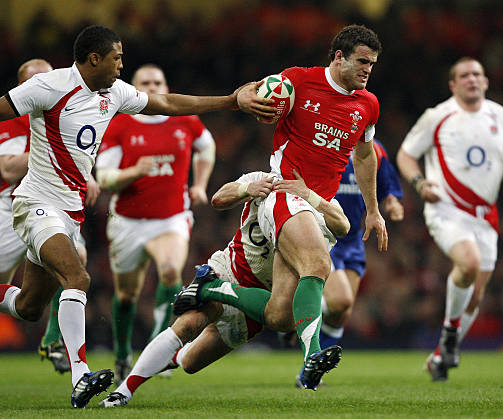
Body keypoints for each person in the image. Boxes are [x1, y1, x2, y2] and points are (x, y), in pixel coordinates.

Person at [0, 25, 275, 408]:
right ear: (94, 58)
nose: (121, 65)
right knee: (77, 276)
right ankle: (80, 375)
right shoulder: (49, 85)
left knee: (30, 307)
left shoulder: (113, 93)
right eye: (117, 57)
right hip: (36, 202)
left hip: (71, 211)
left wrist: (230, 101)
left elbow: (168, 104)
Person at [173, 24, 388, 391]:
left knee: (280, 315)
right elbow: (257, 94)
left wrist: (373, 209)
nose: (368, 69)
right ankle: (313, 357)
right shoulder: (297, 82)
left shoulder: (368, 105)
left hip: (319, 205)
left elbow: (365, 156)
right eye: (362, 62)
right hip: (285, 191)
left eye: (373, 63)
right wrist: (249, 99)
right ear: (339, 57)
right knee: (318, 265)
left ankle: (211, 289)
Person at [99, 170, 349, 407]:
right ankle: (123, 392)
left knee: (190, 363)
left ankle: (178, 343)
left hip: (260, 300)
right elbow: (218, 198)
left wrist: (311, 196)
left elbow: (343, 225)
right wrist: (247, 188)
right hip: (232, 268)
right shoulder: (265, 178)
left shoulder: (322, 201)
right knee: (188, 324)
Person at [396, 57, 503, 381]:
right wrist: (420, 184)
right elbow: (406, 154)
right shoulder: (438, 116)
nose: (472, 79)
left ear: (486, 82)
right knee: (469, 262)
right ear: (453, 84)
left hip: (485, 216)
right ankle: (449, 335)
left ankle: (440, 358)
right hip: (447, 208)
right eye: (464, 75)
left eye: (477, 74)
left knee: (475, 294)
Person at [95, 63, 217, 383]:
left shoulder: (185, 120)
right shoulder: (120, 125)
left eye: (158, 81)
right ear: (134, 89)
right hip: (128, 221)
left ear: (166, 85)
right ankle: (122, 351)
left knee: (170, 272)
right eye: (145, 82)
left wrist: (200, 184)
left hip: (171, 217)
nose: (152, 87)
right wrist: (135, 172)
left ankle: (156, 347)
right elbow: (104, 178)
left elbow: (207, 146)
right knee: (125, 296)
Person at [0, 58, 100, 374]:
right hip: (9, 207)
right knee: (19, 300)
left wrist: (84, 172)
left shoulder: (64, 115)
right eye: (35, 82)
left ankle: (53, 340)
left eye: (49, 79)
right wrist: (54, 157)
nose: (44, 87)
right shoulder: (10, 120)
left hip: (51, 205)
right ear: (20, 89)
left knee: (75, 260)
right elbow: (7, 167)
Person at [298, 139, 403, 365]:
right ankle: (295, 312)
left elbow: (388, 188)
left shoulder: (376, 151)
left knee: (341, 314)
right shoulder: (324, 143)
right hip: (324, 235)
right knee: (340, 300)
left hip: (354, 241)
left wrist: (392, 203)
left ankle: (311, 369)